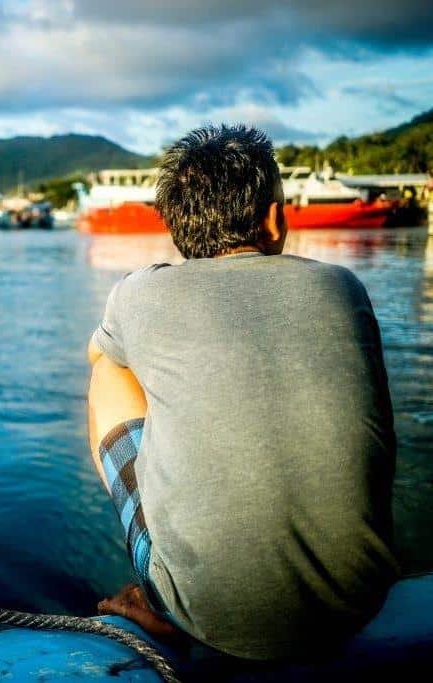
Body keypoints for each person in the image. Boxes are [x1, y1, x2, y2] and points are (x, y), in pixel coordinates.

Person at [87, 125, 399, 660]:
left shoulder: (138, 292)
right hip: (358, 604)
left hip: (210, 621)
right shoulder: (342, 285)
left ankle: (166, 596)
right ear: (276, 218)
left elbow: (101, 360)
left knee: (109, 372)